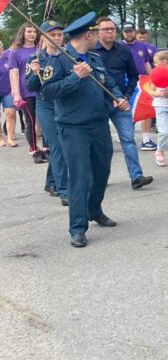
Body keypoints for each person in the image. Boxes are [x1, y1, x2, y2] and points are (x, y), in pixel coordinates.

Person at [40, 13, 129, 248]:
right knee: (79, 178)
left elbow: (109, 82)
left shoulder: (94, 57)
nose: (98, 37)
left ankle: (94, 209)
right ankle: (78, 227)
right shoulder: (59, 60)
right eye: (96, 33)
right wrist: (75, 78)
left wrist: (118, 98)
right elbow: (47, 92)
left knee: (102, 172)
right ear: (88, 35)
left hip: (99, 124)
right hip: (73, 127)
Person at [94, 16, 153, 189]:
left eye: (112, 29)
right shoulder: (91, 51)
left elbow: (134, 75)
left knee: (128, 139)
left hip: (121, 102)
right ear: (98, 32)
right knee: (103, 144)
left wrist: (126, 96)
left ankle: (137, 176)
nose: (110, 32)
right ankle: (101, 178)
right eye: (106, 29)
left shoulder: (123, 50)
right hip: (98, 103)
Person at [27, 21, 68, 204]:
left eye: (59, 34)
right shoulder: (35, 58)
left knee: (63, 143)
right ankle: (63, 189)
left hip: (63, 104)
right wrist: (34, 73)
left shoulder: (67, 56)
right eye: (52, 34)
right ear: (43, 37)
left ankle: (51, 181)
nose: (57, 38)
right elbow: (30, 86)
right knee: (57, 144)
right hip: (45, 105)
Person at [8, 22, 46, 163]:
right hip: (26, 91)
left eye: (34, 32)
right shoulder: (16, 52)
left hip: (42, 89)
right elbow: (14, 74)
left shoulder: (41, 49)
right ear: (23, 33)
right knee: (30, 121)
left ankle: (47, 148)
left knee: (45, 120)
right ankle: (34, 150)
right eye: (29, 31)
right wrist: (17, 94)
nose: (32, 34)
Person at [122, 22, 156, 150]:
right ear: (123, 33)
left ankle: (146, 140)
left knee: (147, 108)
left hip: (142, 81)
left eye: (130, 31)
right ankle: (127, 140)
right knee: (127, 110)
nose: (128, 34)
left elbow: (147, 63)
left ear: (134, 32)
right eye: (126, 31)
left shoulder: (142, 46)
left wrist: (153, 79)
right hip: (126, 81)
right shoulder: (118, 46)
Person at [0, 39, 18, 147]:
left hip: (8, 90)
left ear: (2, 48)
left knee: (10, 114)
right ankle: (1, 138)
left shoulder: (8, 58)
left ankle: (10, 138)